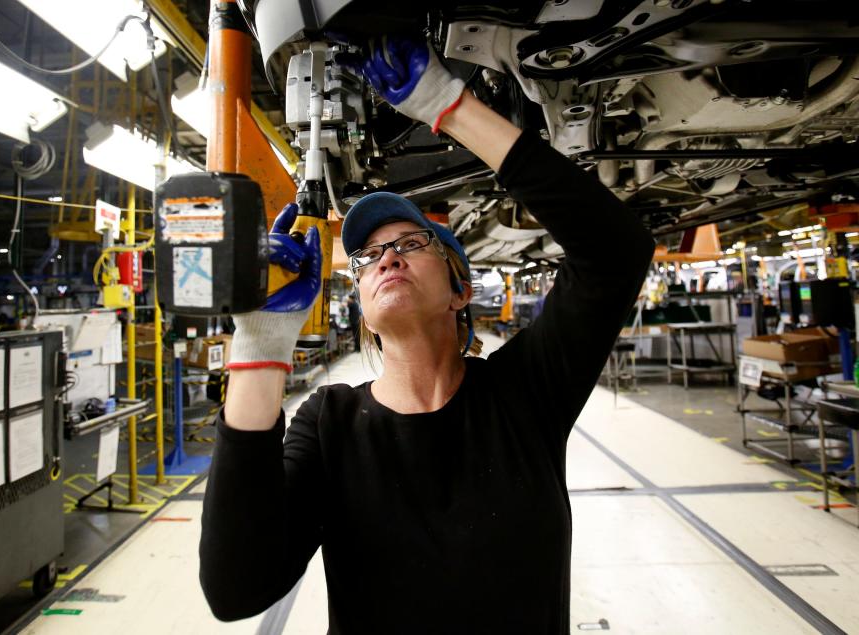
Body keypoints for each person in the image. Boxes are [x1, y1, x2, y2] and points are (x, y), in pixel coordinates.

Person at [199, 37, 655, 633]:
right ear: (361, 307)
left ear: (459, 290)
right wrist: (258, 352)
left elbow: (616, 251)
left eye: (411, 244)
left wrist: (451, 107)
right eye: (368, 257)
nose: (386, 258)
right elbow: (236, 590)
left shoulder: (524, 393)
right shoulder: (331, 422)